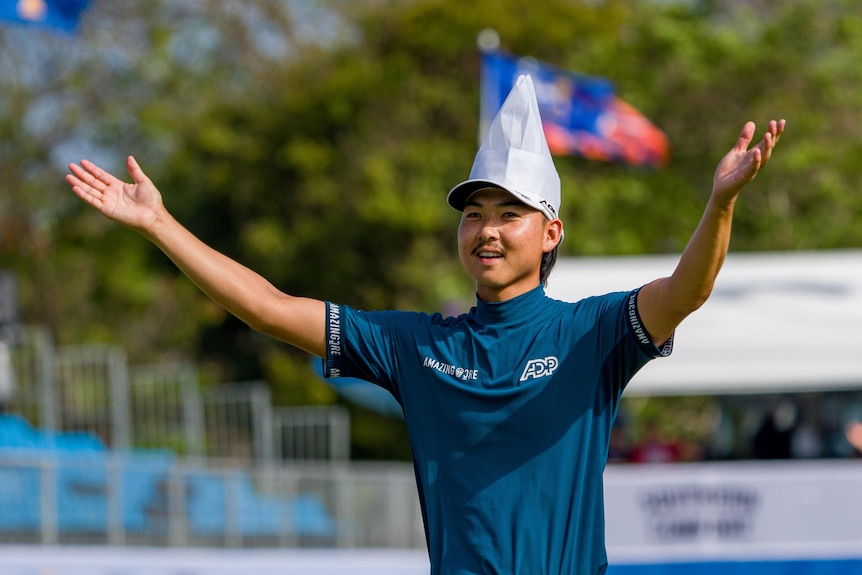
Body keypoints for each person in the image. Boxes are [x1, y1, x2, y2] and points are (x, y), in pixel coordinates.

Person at [65, 75, 784, 574]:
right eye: (473, 214)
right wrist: (160, 224)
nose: (486, 230)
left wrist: (720, 202)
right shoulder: (419, 345)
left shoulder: (592, 334)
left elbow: (688, 290)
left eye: (509, 214)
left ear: (552, 231)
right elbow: (268, 306)